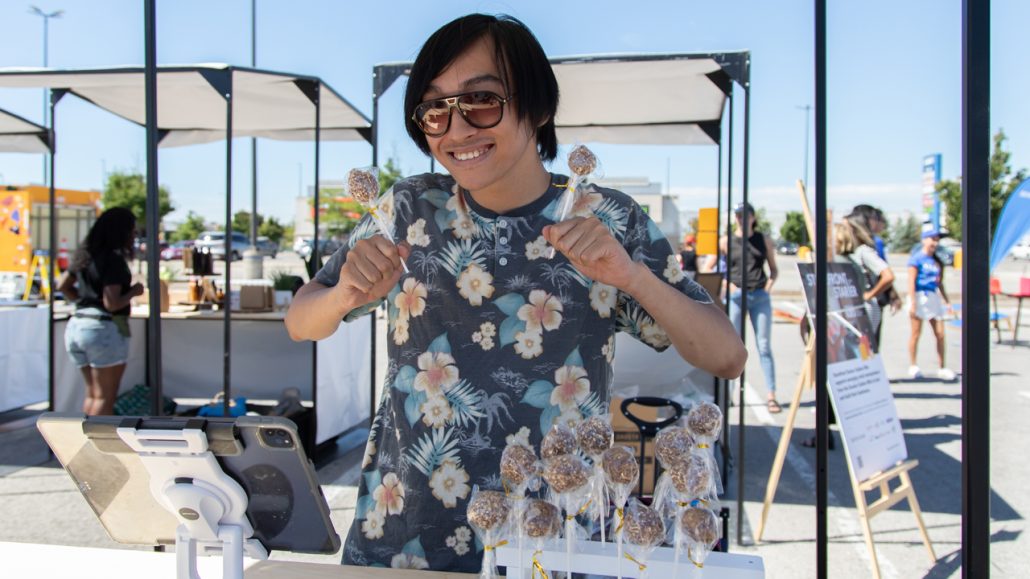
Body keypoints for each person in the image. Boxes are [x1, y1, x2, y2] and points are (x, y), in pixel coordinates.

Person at [284, 14, 746, 572]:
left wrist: (631, 277)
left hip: (553, 537)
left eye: (481, 100)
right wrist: (343, 294)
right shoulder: (405, 211)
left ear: (539, 107)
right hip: (403, 531)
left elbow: (726, 356)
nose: (456, 131)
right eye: (434, 110)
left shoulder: (603, 217)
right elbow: (302, 321)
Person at [57, 207, 144, 416]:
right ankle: (97, 447)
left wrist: (84, 301)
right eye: (132, 231)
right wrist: (134, 291)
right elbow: (112, 303)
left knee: (93, 395)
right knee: (104, 397)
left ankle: (85, 443)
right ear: (120, 232)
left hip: (77, 325)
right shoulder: (113, 260)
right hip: (102, 329)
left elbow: (62, 286)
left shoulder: (85, 256)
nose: (134, 236)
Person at [704, 201, 780, 413]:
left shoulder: (763, 240)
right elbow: (710, 268)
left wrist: (769, 286)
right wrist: (729, 285)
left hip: (759, 295)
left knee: (764, 345)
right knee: (734, 346)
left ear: (753, 217)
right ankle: (727, 395)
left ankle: (771, 395)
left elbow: (774, 269)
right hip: (737, 296)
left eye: (745, 215)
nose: (741, 218)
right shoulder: (726, 242)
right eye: (738, 215)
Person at [907, 229, 955, 380]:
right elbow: (911, 282)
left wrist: (947, 301)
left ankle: (942, 367)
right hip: (920, 296)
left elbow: (940, 283)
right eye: (932, 239)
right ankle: (913, 365)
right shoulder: (916, 259)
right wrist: (913, 302)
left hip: (933, 297)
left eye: (937, 240)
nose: (935, 242)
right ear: (924, 240)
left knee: (940, 334)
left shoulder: (936, 261)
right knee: (916, 333)